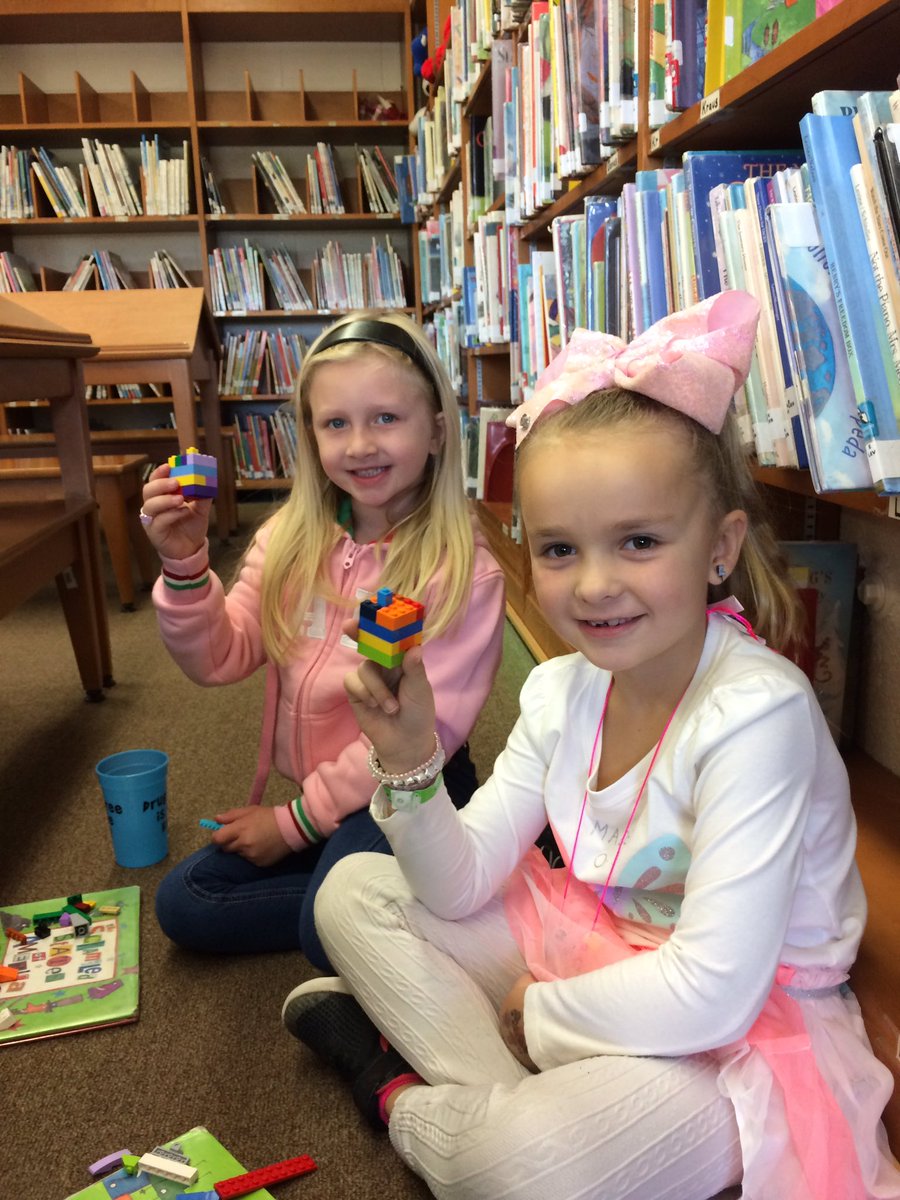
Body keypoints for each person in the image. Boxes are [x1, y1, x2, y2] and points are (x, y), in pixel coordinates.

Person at [281, 292, 900, 1200]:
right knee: (351, 890)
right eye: (562, 549)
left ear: (720, 546)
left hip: (740, 1035)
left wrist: (542, 1017)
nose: (596, 585)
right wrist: (412, 763)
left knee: (517, 1165)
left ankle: (405, 1097)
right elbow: (454, 882)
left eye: (640, 541)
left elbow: (714, 993)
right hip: (601, 951)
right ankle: (518, 1115)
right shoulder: (561, 690)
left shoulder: (757, 713)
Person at [139, 311, 505, 969]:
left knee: (322, 930)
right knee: (185, 900)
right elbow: (220, 656)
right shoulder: (288, 539)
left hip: (413, 782)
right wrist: (185, 564)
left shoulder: (461, 570)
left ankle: (403, 895)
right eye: (336, 423)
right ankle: (394, 903)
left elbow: (419, 731)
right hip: (323, 795)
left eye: (386, 418)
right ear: (310, 437)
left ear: (438, 432)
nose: (360, 444)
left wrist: (291, 826)